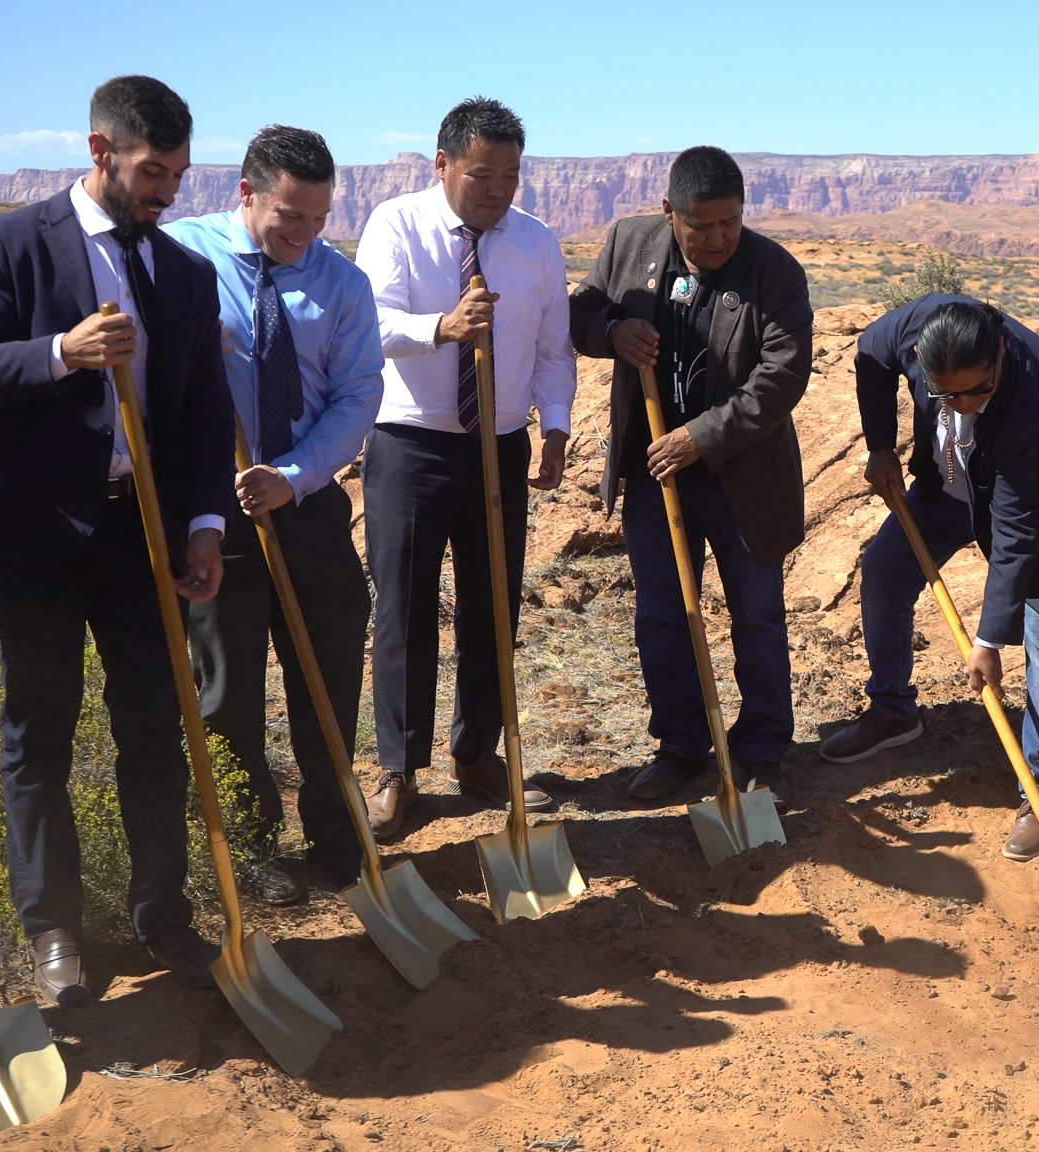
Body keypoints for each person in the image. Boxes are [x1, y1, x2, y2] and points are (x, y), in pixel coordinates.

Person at [0, 76, 234, 1003]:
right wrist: (60, 352)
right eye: (152, 171)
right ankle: (53, 928)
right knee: (40, 727)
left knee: (156, 722)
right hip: (35, 536)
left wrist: (206, 523)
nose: (166, 193)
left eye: (178, 175)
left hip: (142, 533)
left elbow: (199, 411)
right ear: (100, 150)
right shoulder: (13, 243)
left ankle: (163, 915)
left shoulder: (183, 272)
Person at [164, 126, 382, 900]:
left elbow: (359, 396)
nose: (305, 234)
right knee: (225, 687)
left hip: (307, 504)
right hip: (212, 514)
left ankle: (335, 831)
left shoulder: (341, 283)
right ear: (247, 193)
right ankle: (250, 848)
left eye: (319, 218)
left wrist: (292, 476)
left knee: (327, 670)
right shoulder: (181, 258)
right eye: (290, 215)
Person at [830, 296, 1039, 861]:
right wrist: (879, 445)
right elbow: (869, 352)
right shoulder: (918, 330)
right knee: (886, 569)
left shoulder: (1033, 400)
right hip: (948, 487)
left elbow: (1016, 534)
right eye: (948, 394)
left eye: (977, 391)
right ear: (921, 359)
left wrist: (989, 641)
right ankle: (893, 712)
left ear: (997, 354)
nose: (963, 405)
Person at [353, 97, 576, 841]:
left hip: (500, 443)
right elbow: (372, 325)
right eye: (483, 175)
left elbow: (552, 345)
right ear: (441, 164)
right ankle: (397, 768)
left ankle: (477, 752)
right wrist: (439, 328)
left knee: (493, 601)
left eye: (511, 175)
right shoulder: (396, 224)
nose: (499, 190)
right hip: (411, 443)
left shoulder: (535, 242)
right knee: (405, 606)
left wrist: (555, 426)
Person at [567, 146, 811, 805]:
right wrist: (614, 332)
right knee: (664, 613)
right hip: (655, 475)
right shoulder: (629, 243)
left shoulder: (774, 272)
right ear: (668, 211)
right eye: (700, 226)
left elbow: (782, 378)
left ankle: (762, 751)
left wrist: (699, 438)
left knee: (756, 614)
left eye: (729, 223)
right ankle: (680, 745)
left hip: (743, 477)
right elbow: (578, 314)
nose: (717, 238)